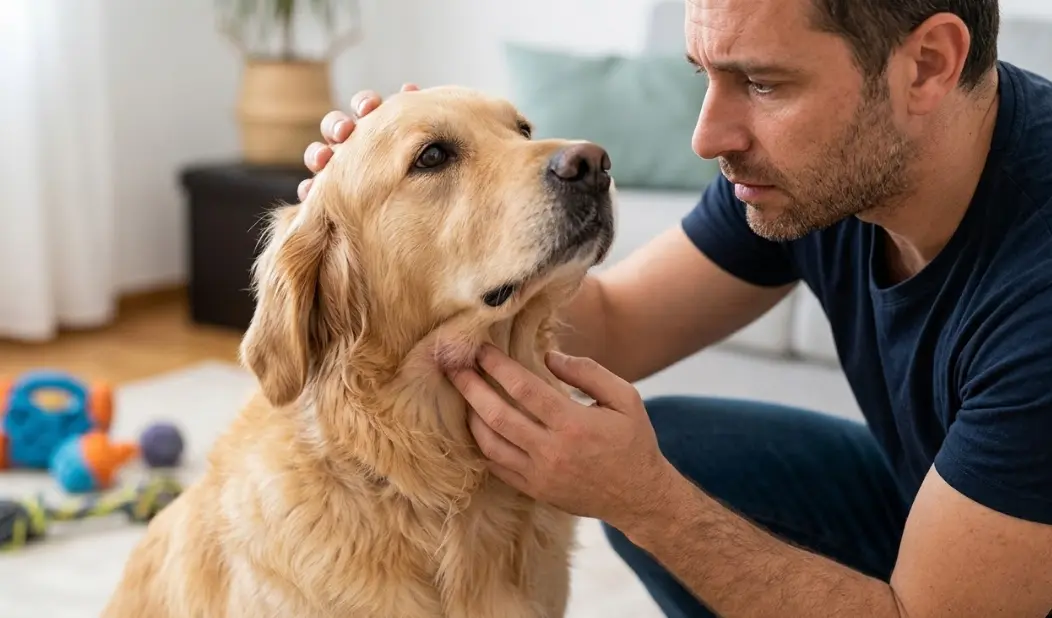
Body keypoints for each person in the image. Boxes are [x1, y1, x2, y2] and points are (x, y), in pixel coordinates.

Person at [297, 0, 1052, 615]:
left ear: (927, 65)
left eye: (762, 84)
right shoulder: (815, 173)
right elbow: (618, 326)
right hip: (937, 498)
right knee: (684, 449)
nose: (706, 136)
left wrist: (649, 505)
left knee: (664, 492)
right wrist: (405, 234)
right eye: (705, 74)